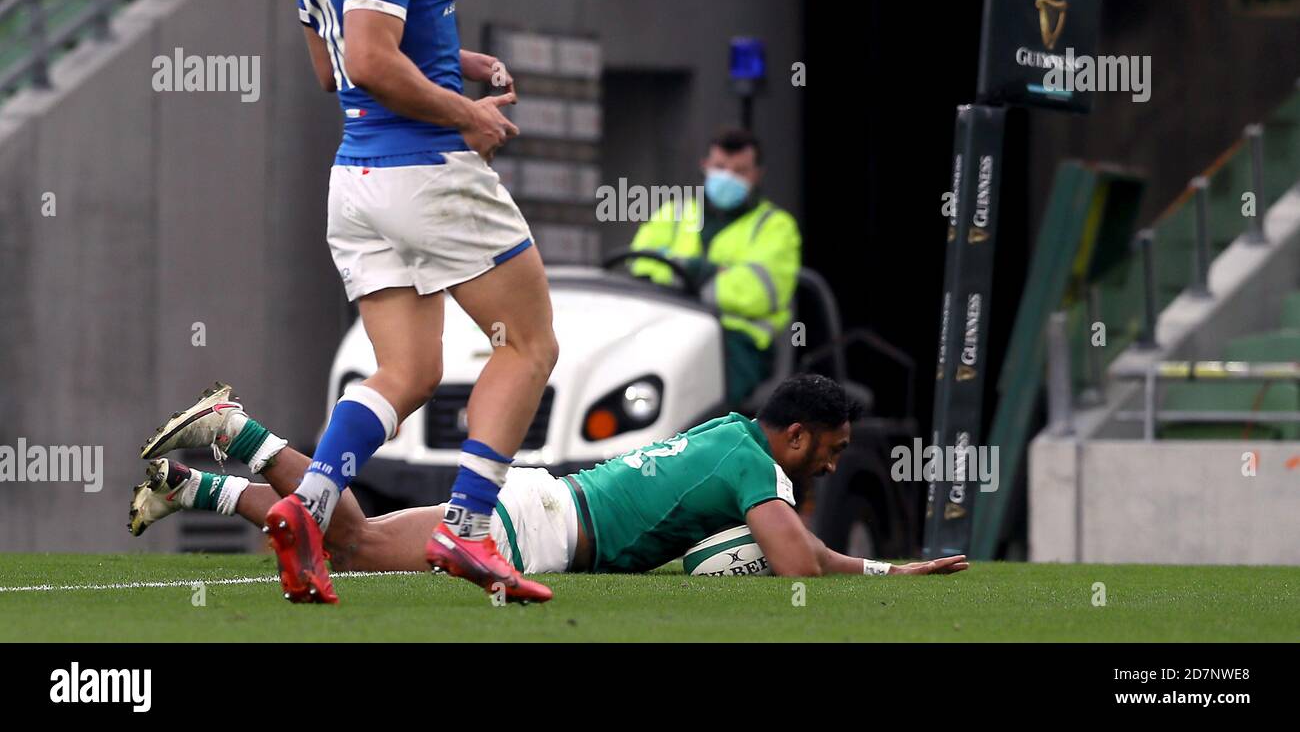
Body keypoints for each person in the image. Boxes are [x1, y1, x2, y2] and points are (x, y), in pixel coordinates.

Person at [150, 0, 560, 604]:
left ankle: (307, 507)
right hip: (426, 172)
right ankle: (470, 528)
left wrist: (458, 63)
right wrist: (465, 111)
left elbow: (332, 66)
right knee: (529, 345)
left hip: (357, 181)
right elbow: (370, 62)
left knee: (407, 369)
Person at [132, 377, 969, 580]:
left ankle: (189, 482)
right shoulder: (760, 466)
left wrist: (890, 568)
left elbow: (808, 553)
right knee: (347, 541)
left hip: (544, 504)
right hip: (536, 528)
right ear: (795, 433)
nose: (834, 457)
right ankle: (232, 430)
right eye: (830, 445)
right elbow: (797, 565)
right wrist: (881, 569)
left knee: (350, 537)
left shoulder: (734, 433)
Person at [629, 128, 800, 408]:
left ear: (757, 175)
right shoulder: (675, 212)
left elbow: (756, 292)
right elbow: (639, 265)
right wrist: (712, 272)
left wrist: (680, 271)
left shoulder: (776, 227)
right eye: (721, 167)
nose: (728, 177)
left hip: (735, 345)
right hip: (667, 332)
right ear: (705, 166)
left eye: (740, 171)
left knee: (696, 408)